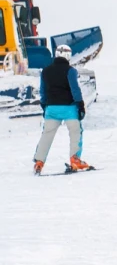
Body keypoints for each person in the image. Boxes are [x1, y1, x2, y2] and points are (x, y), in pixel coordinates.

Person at [33, 44, 89, 174]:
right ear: (68, 55)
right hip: (69, 108)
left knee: (47, 135)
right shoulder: (71, 71)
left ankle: (39, 162)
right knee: (75, 132)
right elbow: (75, 89)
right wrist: (80, 105)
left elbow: (42, 91)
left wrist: (44, 105)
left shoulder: (45, 71)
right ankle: (75, 160)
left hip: (51, 109)